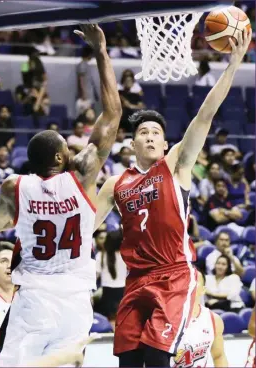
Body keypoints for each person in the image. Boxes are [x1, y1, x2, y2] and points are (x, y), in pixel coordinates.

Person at [94, 29, 251, 367]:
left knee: (157, 355)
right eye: (142, 133)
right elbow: (83, 228)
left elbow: (204, 116)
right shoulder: (115, 184)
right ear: (132, 145)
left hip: (173, 275)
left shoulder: (176, 165)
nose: (150, 136)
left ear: (166, 144)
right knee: (129, 361)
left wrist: (233, 64)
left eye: (156, 133)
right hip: (135, 278)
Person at [0, 24, 122, 367]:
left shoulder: (15, 186)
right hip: (76, 300)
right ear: (61, 158)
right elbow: (113, 115)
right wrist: (101, 52)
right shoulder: (81, 175)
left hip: (34, 299)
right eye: (68, 146)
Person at [171, 270, 228, 367]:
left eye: (195, 280)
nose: (190, 283)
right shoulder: (164, 317)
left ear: (203, 290)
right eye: (186, 279)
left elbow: (219, 356)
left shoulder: (214, 319)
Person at [96, 229, 127, 329]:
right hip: (122, 290)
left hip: (108, 291)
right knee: (121, 317)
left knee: (110, 318)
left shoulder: (101, 255)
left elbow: (96, 274)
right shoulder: (126, 255)